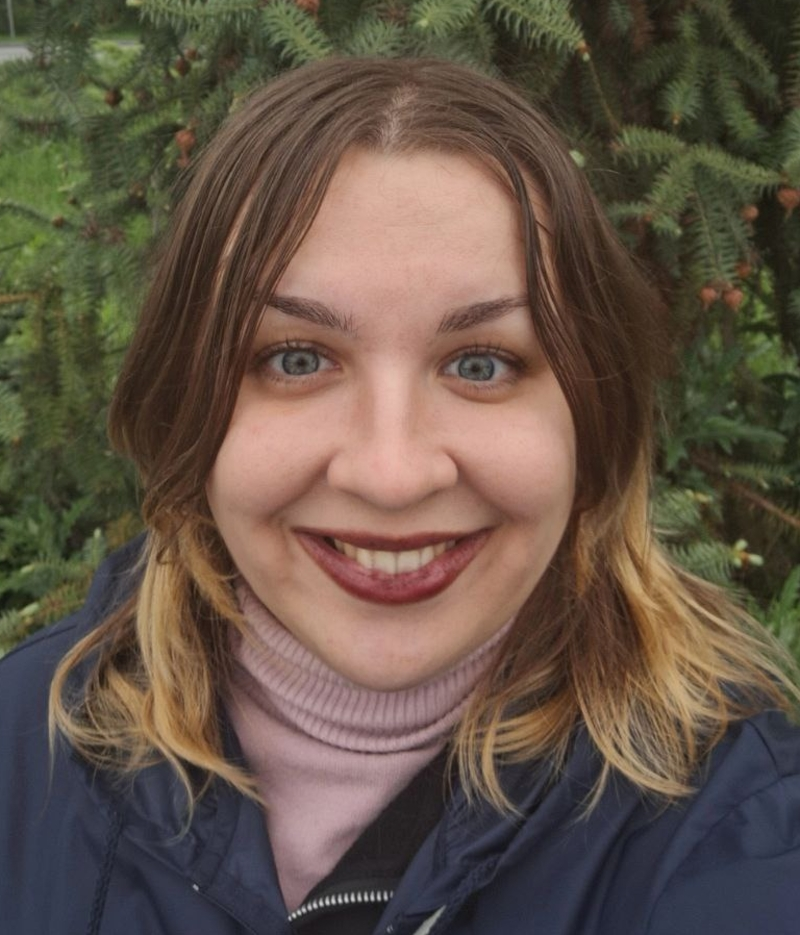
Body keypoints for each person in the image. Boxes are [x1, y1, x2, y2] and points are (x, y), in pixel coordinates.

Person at [1, 57, 799, 935]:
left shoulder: (740, 826)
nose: (392, 475)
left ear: (594, 420)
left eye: (481, 364)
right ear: (184, 403)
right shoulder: (21, 746)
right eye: (296, 358)